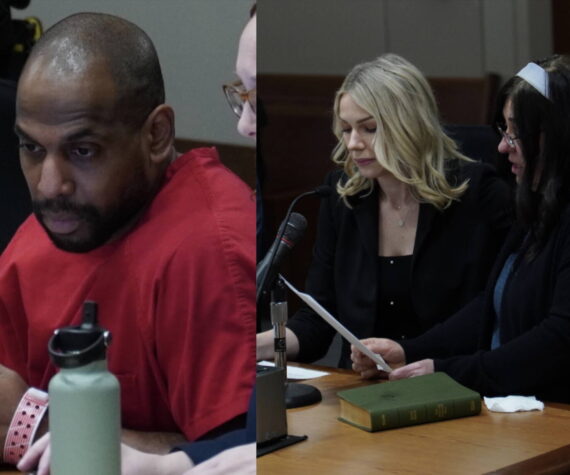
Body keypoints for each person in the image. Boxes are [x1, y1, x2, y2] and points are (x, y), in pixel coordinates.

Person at [0, 10, 255, 468]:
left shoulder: (210, 247)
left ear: (156, 135)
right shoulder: (43, 235)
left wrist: (37, 425)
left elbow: (242, 454)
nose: (49, 184)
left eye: (83, 151)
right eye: (31, 148)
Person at [257, 53, 512, 367]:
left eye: (369, 128)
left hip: (455, 379)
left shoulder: (480, 194)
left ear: (409, 125)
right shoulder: (343, 198)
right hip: (368, 390)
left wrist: (410, 352)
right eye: (346, 129)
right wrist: (252, 346)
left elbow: (495, 308)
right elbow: (317, 320)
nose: (352, 143)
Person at [352, 55, 570, 403]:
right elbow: (490, 305)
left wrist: (448, 372)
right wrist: (409, 351)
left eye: (516, 134)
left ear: (553, 136)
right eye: (504, 131)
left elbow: (559, 338)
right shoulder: (535, 209)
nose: (502, 146)